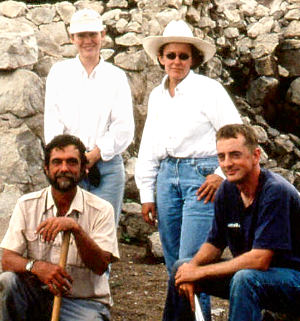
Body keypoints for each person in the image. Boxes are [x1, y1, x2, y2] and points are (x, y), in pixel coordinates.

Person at [135, 20, 242, 320]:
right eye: (171, 56)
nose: (177, 62)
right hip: (167, 177)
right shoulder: (157, 96)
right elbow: (149, 144)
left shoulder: (209, 90)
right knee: (174, 268)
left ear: (193, 59)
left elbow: (236, 132)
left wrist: (220, 176)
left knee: (193, 265)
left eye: (183, 56)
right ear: (161, 58)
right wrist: (146, 192)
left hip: (202, 177)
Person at [163, 124, 300, 321]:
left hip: (293, 278)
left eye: (235, 155)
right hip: (260, 276)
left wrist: (200, 272)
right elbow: (214, 244)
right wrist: (190, 269)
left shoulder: (276, 192)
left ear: (255, 155)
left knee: (245, 279)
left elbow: (259, 260)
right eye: (221, 156)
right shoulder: (227, 190)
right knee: (180, 268)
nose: (227, 163)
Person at [0, 134, 119, 321]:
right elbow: (7, 260)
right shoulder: (27, 205)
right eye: (57, 162)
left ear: (83, 169)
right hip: (36, 298)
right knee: (7, 281)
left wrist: (76, 230)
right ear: (46, 169)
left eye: (72, 162)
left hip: (83, 303)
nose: (64, 168)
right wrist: (37, 267)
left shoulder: (102, 210)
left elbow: (100, 265)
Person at [44, 8, 134, 224]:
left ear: (102, 35)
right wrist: (72, 158)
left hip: (106, 166)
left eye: (92, 34)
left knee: (103, 235)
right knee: (66, 230)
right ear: (72, 38)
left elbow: (123, 126)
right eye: (81, 35)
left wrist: (94, 155)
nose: (87, 41)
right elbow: (52, 122)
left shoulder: (116, 77)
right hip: (68, 165)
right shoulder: (59, 73)